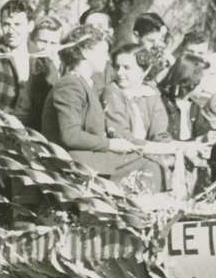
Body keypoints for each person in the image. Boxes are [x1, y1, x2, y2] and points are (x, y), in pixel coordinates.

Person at [41, 25, 167, 191]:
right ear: (86, 51)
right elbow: (70, 135)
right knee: (148, 165)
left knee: (151, 162)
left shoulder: (85, 84)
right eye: (103, 52)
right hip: (74, 163)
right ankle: (142, 213)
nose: (107, 58)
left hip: (86, 158)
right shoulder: (70, 85)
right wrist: (110, 144)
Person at [102, 43, 171, 144]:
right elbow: (121, 136)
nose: (119, 73)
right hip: (124, 152)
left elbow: (159, 134)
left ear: (144, 70)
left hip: (148, 151)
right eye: (117, 67)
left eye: (126, 68)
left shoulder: (150, 93)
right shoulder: (112, 92)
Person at [25, 15, 64, 129]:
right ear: (32, 40)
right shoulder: (26, 64)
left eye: (53, 43)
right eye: (42, 41)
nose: (47, 48)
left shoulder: (63, 67)